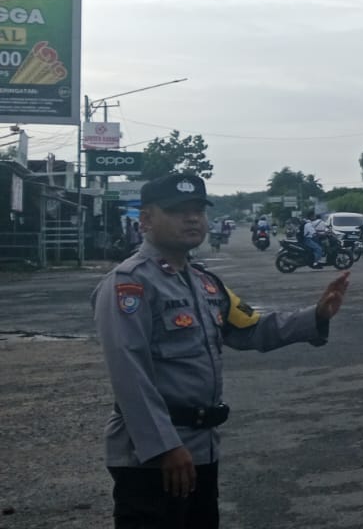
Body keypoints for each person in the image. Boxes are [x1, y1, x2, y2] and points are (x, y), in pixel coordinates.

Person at [90, 173, 349, 529]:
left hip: (199, 448)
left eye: (198, 210)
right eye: (177, 210)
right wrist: (164, 446)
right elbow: (128, 373)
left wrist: (315, 316)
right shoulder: (129, 283)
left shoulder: (205, 283)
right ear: (146, 220)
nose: (192, 218)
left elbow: (251, 329)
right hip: (151, 457)